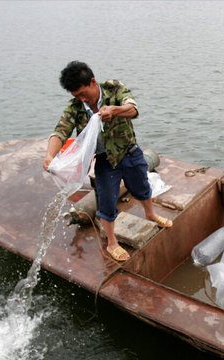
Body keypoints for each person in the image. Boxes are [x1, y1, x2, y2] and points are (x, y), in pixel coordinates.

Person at [43, 61, 172, 262]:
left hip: (129, 152)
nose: (81, 99)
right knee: (107, 201)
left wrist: (114, 110)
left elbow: (133, 109)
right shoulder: (76, 107)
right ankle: (112, 242)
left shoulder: (114, 88)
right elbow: (60, 131)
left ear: (92, 82)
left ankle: (151, 214)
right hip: (104, 160)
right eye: (76, 96)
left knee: (142, 187)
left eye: (83, 93)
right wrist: (50, 155)